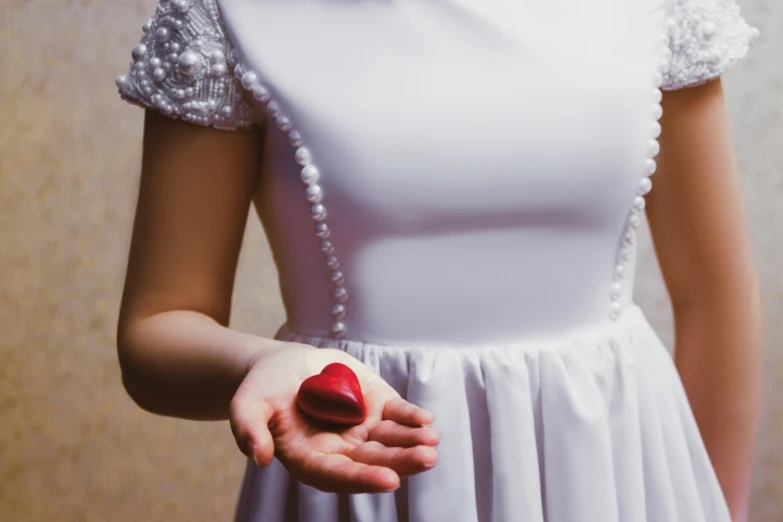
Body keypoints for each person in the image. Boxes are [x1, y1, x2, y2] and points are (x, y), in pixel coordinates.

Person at [113, 0, 763, 520]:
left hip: (617, 470)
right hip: (363, 472)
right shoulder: (225, 17)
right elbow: (158, 326)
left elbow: (715, 296)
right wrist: (269, 365)